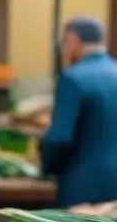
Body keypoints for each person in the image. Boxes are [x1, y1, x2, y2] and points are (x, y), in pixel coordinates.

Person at [40, 17, 117, 207]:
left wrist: (46, 165)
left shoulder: (73, 78)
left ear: (72, 40)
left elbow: (59, 138)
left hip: (82, 186)